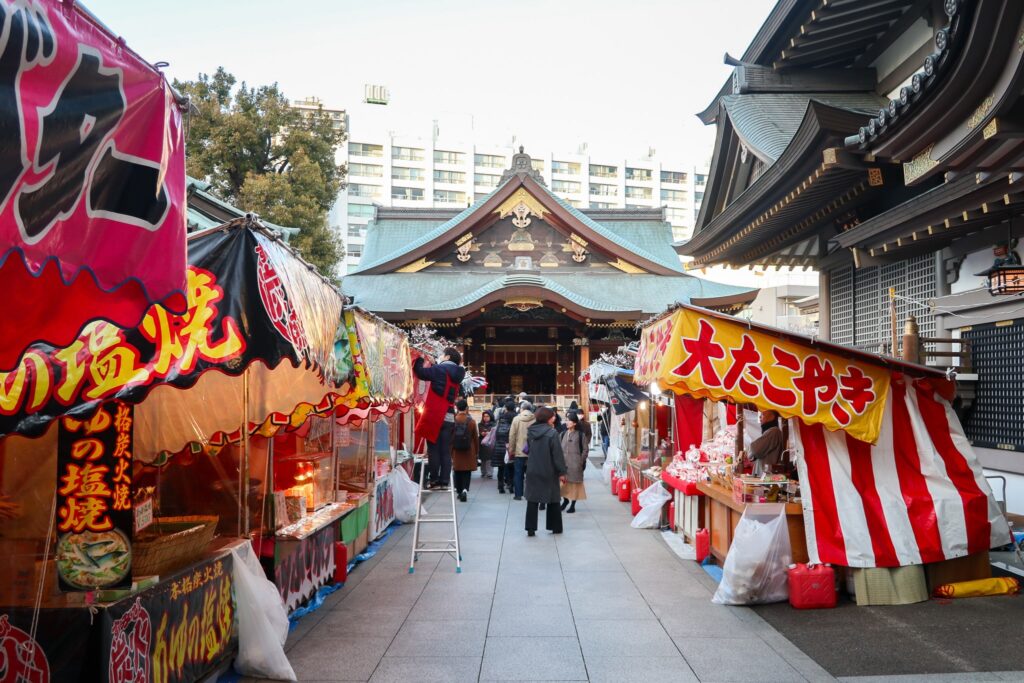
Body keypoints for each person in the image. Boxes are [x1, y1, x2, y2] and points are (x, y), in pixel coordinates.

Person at [413, 347, 466, 489]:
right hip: (449, 415)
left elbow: (421, 373)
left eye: (442, 355)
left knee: (433, 449)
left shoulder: (439, 370)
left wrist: (419, 359)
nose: (440, 357)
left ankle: (434, 480)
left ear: (447, 357)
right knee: (445, 451)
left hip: (435, 414)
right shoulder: (459, 374)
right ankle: (444, 482)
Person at [524, 407, 567, 536]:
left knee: (532, 499)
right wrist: (562, 472)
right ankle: (555, 526)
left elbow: (530, 449)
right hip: (549, 469)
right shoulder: (552, 433)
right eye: (552, 416)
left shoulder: (531, 432)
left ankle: (530, 528)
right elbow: (557, 455)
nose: (554, 418)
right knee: (553, 498)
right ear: (547, 418)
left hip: (532, 468)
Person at [559, 412, 588, 513]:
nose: (566, 422)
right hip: (563, 465)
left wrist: (580, 460)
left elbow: (585, 449)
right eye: (566, 420)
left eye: (569, 420)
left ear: (575, 423)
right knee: (563, 485)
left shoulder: (581, 435)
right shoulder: (562, 434)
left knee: (575, 486)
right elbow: (558, 448)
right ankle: (565, 501)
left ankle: (573, 505)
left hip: (575, 465)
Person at [451, 400, 479, 502]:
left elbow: (451, 438)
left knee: (457, 471)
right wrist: (476, 452)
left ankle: (458, 491)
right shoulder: (471, 421)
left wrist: (450, 452)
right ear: (466, 408)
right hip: (469, 450)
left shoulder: (454, 420)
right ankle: (464, 490)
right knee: (467, 472)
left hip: (456, 450)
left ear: (457, 408)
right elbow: (475, 437)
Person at [508, 401, 535, 500]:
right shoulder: (535, 419)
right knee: (531, 474)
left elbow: (512, 435)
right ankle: (530, 493)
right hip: (532, 451)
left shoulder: (516, 419)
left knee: (518, 473)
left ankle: (518, 494)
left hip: (519, 451)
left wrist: (511, 449)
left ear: (522, 409)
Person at [750, 409, 784, 475]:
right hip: (764, 474)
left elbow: (755, 449)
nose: (760, 417)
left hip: (766, 475)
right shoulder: (770, 431)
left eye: (762, 414)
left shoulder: (774, 431)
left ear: (772, 417)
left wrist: (751, 451)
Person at [493, 399, 515, 494]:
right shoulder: (515, 417)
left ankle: (500, 486)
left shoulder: (501, 418)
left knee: (500, 467)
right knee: (511, 467)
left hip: (499, 444)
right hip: (510, 444)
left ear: (506, 408)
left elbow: (496, 431)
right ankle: (510, 486)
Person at [478, 409, 495, 479]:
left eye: (487, 416)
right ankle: (483, 472)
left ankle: (489, 473)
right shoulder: (480, 424)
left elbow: (492, 433)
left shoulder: (494, 424)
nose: (485, 418)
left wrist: (487, 433)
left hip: (490, 443)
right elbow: (481, 432)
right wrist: (487, 433)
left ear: (490, 416)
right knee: (483, 459)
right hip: (482, 443)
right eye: (484, 416)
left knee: (489, 459)